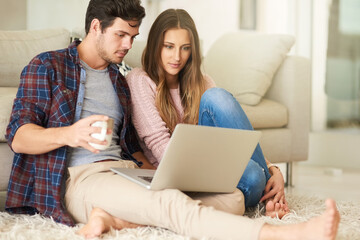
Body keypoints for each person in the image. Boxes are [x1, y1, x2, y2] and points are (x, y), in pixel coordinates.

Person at [5, 1, 340, 239]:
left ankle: (115, 220)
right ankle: (283, 235)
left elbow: (137, 146)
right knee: (168, 202)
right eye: (121, 35)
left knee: (234, 199)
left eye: (134, 37)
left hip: (128, 173)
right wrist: (71, 134)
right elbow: (19, 137)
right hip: (81, 177)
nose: (128, 44)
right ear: (96, 27)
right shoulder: (48, 66)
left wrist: (159, 170)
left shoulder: (119, 80)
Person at [126, 8, 288, 218]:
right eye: (169, 47)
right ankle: (269, 198)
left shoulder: (201, 80)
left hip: (216, 164)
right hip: (180, 174)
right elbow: (161, 148)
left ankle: (270, 191)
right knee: (253, 175)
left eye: (185, 48)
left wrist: (274, 169)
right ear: (156, 45)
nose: (177, 57)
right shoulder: (139, 80)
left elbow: (239, 138)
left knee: (217, 96)